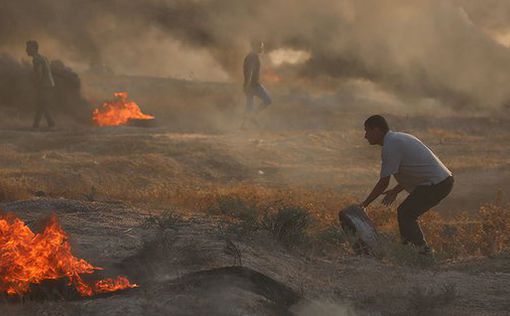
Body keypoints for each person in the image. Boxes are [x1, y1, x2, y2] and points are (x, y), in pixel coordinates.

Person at [360, 115, 454, 255]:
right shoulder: (397, 138)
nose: (365, 136)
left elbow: (383, 183)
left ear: (377, 129)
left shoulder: (390, 146)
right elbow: (414, 168)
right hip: (441, 181)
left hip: (437, 183)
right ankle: (410, 250)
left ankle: (421, 252)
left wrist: (364, 205)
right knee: (405, 212)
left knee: (406, 213)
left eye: (367, 131)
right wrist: (396, 190)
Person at [241, 40, 272, 129]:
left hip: (249, 85)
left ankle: (243, 125)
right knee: (268, 100)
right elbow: (250, 70)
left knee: (249, 106)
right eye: (261, 46)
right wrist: (248, 84)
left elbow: (247, 70)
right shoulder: (253, 57)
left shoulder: (250, 56)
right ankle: (253, 115)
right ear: (256, 47)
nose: (262, 48)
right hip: (254, 85)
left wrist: (246, 84)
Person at [26, 40, 55, 129]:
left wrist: (36, 85)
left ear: (34, 49)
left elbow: (39, 74)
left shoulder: (36, 59)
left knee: (43, 106)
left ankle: (51, 125)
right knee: (41, 106)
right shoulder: (43, 57)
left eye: (28, 48)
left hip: (44, 86)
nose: (26, 50)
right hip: (49, 85)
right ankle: (36, 125)